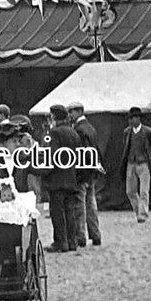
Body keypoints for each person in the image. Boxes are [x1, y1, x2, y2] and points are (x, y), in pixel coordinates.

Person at [41, 104, 83, 252]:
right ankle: (72, 242)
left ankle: (61, 242)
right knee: (70, 213)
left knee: (58, 214)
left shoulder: (54, 134)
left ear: (54, 117)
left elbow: (50, 158)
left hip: (57, 180)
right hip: (71, 179)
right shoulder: (73, 133)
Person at [68, 101, 102, 247]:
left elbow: (82, 153)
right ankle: (96, 235)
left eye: (72, 112)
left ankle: (80, 236)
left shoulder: (79, 130)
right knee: (91, 204)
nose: (70, 115)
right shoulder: (91, 128)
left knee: (80, 206)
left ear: (79, 111)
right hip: (91, 173)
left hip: (82, 172)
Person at [122, 107, 151, 223]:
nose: (130, 121)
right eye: (129, 119)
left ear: (138, 118)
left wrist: (149, 160)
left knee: (144, 191)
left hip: (143, 163)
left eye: (132, 118)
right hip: (131, 163)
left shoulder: (148, 132)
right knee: (130, 191)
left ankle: (142, 214)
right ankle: (139, 210)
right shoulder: (127, 132)